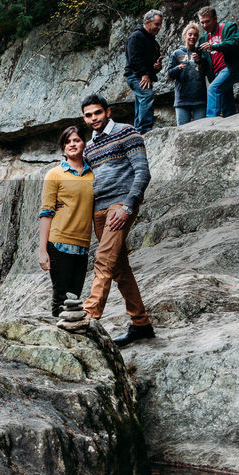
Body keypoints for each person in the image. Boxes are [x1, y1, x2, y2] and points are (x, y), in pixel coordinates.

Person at [80, 93, 155, 344]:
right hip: (98, 210)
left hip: (120, 205)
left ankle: (88, 316)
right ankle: (140, 323)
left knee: (103, 259)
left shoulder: (127, 132)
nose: (93, 119)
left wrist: (128, 207)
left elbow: (142, 173)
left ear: (107, 112)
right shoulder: (88, 147)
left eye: (97, 113)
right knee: (119, 268)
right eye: (88, 115)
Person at [37, 126, 94, 318]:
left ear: (84, 143)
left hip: (83, 245)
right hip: (59, 243)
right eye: (68, 142)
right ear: (63, 148)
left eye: (76, 140)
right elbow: (46, 212)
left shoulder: (93, 174)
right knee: (60, 299)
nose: (72, 144)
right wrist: (43, 250)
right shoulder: (54, 174)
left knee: (75, 298)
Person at [198, 6, 239, 118]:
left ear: (215, 19)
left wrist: (214, 46)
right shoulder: (204, 38)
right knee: (227, 105)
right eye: (202, 23)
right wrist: (198, 59)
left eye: (207, 21)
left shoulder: (228, 27)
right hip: (215, 73)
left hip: (230, 68)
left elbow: (234, 43)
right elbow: (205, 61)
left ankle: (210, 121)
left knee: (213, 89)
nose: (204, 25)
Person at [123, 10, 164, 132]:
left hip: (143, 75)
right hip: (135, 75)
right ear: (147, 22)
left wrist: (156, 66)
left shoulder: (154, 42)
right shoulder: (136, 37)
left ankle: (137, 131)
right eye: (157, 24)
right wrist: (144, 74)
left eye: (160, 24)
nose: (159, 27)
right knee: (147, 96)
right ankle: (144, 129)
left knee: (140, 102)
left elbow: (152, 64)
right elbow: (134, 59)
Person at [167, 23, 210, 125]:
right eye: (190, 34)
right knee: (182, 131)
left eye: (195, 35)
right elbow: (169, 74)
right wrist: (178, 68)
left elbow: (207, 72)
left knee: (200, 131)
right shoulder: (176, 54)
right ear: (184, 36)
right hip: (182, 99)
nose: (192, 37)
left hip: (200, 99)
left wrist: (199, 61)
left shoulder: (202, 52)